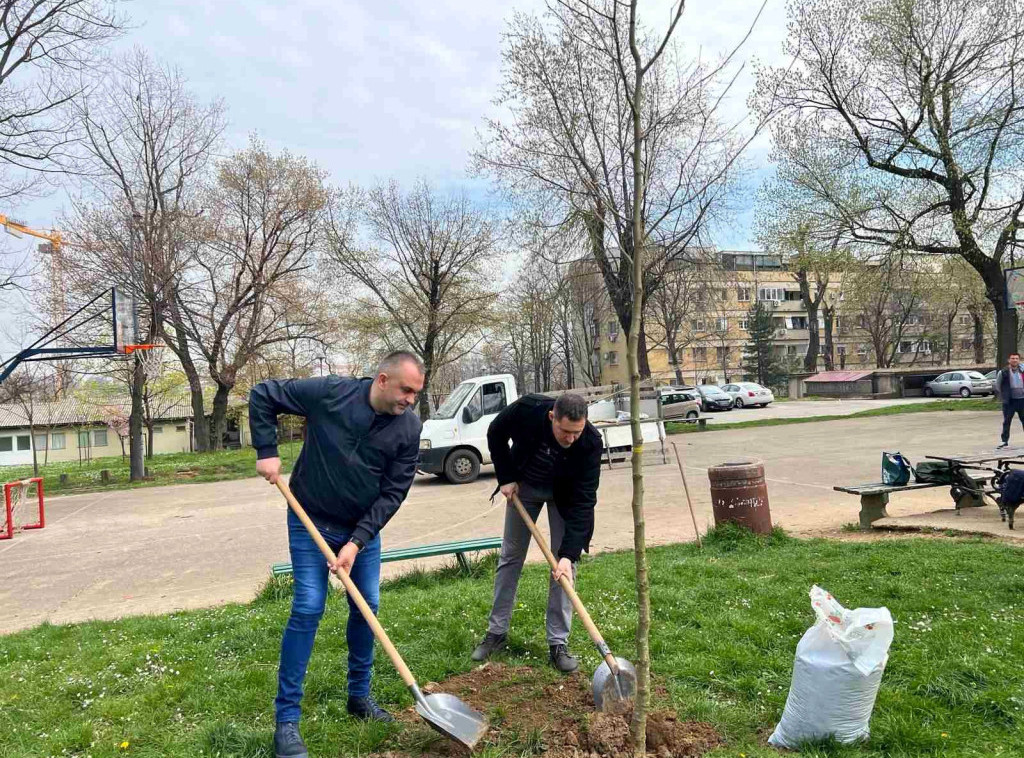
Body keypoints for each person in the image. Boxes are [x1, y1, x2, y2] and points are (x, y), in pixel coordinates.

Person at [250, 352, 424, 758]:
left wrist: (357, 542)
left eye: (416, 393)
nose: (411, 400)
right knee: (309, 606)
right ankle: (287, 722)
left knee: (368, 606)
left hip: (360, 529)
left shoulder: (408, 427)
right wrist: (266, 449)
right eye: (407, 390)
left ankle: (359, 697)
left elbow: (394, 492)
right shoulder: (330, 392)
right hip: (309, 516)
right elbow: (263, 394)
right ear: (383, 380)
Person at [471, 392, 602, 673]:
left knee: (564, 568)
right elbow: (496, 431)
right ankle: (496, 634)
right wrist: (505, 477)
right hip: (525, 487)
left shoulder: (590, 442)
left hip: (564, 497)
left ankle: (558, 643)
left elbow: (584, 501)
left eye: (576, 433)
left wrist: (568, 554)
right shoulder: (528, 409)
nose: (570, 439)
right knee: (510, 558)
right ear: (552, 416)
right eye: (565, 431)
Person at [997, 352, 1024, 448]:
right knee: (1007, 421)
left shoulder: (1022, 370)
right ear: (1009, 360)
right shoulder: (1003, 372)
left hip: (1022, 400)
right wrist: (1005, 395)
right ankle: (1004, 441)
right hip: (1010, 401)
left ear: (1019, 360)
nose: (1015, 360)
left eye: (1016, 358)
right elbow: (998, 386)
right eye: (1012, 358)